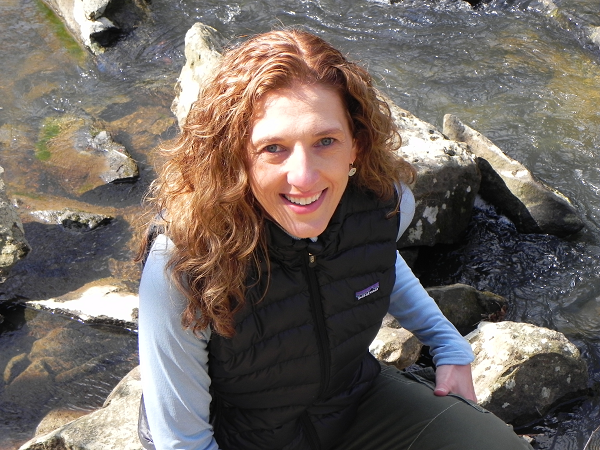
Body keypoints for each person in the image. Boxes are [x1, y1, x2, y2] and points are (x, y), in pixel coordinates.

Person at [137, 28, 533, 450]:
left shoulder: (385, 203)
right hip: (240, 435)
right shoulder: (182, 263)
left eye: (325, 141)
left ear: (356, 145)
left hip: (351, 401)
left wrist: (446, 342)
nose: (304, 177)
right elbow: (183, 441)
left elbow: (378, 257)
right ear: (235, 155)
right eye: (273, 148)